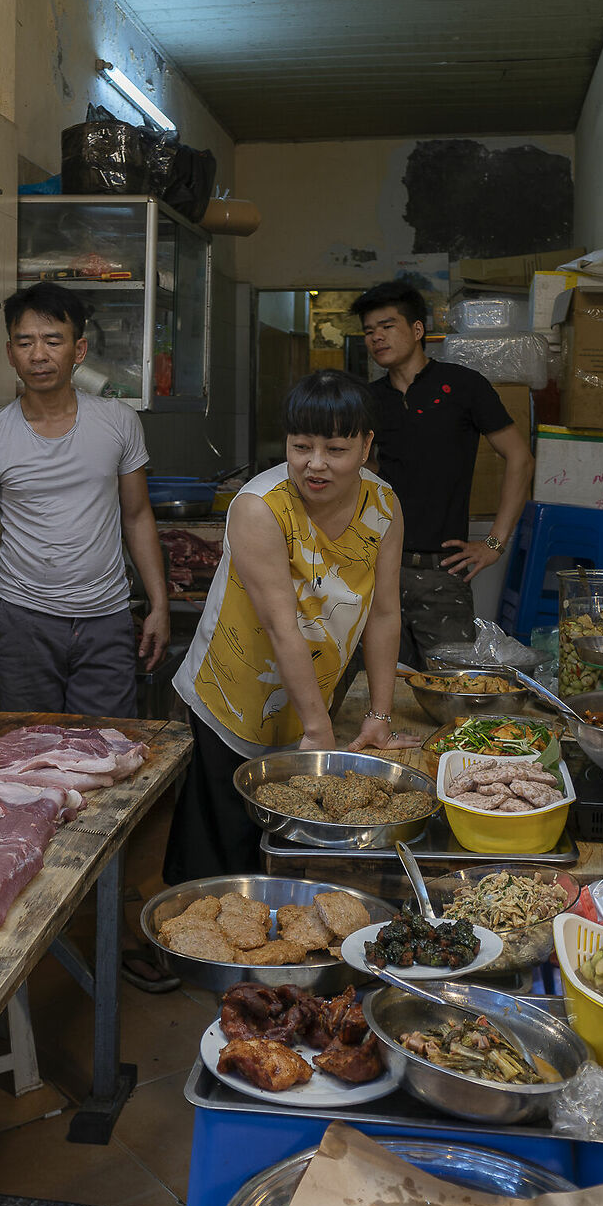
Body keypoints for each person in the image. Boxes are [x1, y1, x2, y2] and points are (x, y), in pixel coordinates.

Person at [163, 371, 419, 888]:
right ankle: (189, 955)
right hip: (236, 693)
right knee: (222, 842)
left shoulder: (384, 506)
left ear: (367, 445)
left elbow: (385, 612)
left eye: (336, 448)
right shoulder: (260, 508)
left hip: (312, 689)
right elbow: (283, 629)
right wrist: (320, 735)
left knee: (288, 843)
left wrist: (378, 715)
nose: (315, 463)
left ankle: (275, 943)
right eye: (301, 446)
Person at [0, 282, 168, 717]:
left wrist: (159, 604)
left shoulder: (118, 422)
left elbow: (137, 516)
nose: (39, 355)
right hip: (22, 621)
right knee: (30, 755)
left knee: (109, 751)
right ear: (9, 352)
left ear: (79, 349)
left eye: (53, 340)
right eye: (25, 342)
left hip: (106, 618)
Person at [352, 280, 534, 665]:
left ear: (417, 330)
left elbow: (520, 457)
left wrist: (495, 544)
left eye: (387, 326)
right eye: (369, 331)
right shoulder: (366, 399)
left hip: (442, 575)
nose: (376, 338)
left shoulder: (463, 386)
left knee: (450, 689)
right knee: (380, 689)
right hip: (378, 570)